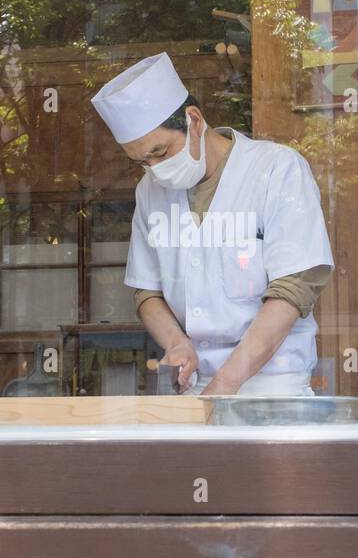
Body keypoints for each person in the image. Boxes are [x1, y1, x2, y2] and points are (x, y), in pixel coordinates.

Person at [91, 52, 333, 395]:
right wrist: (176, 342)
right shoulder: (150, 190)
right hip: (195, 388)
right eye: (142, 161)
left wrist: (225, 383)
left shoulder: (276, 170)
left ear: (194, 121)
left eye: (160, 152)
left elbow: (294, 288)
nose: (154, 167)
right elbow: (147, 291)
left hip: (272, 389)